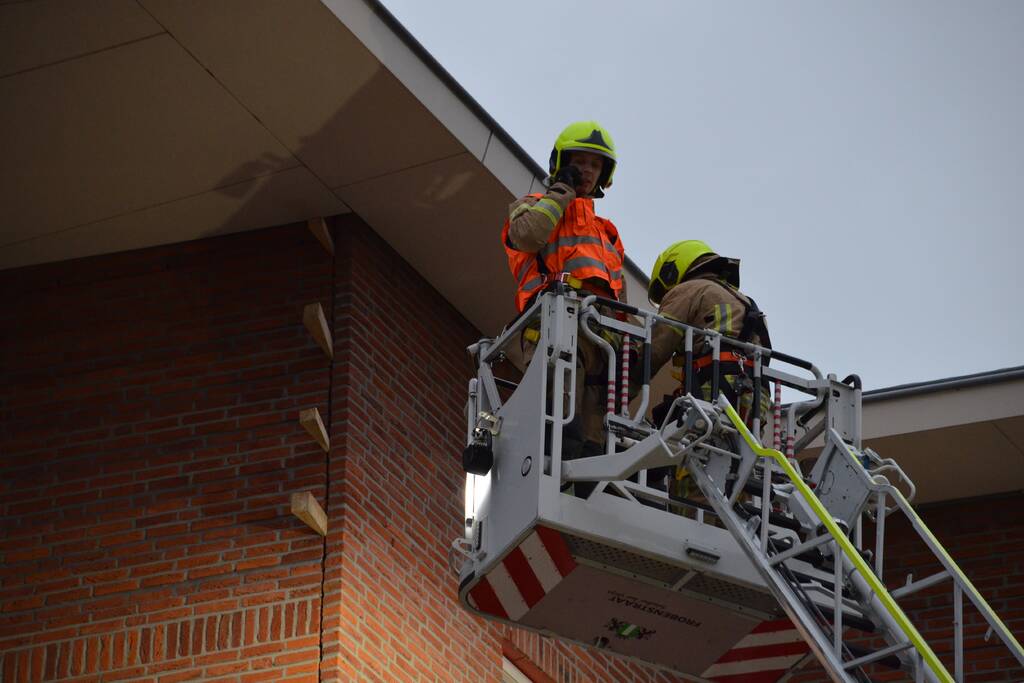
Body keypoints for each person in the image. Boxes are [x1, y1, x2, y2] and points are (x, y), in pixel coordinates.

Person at [500, 120, 626, 468]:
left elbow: (620, 298)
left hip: (599, 334)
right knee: (559, 414)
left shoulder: (608, 233)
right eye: (580, 161)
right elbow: (527, 237)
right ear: (563, 162)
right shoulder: (534, 205)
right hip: (554, 322)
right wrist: (560, 193)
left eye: (595, 164)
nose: (587, 170)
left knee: (595, 432)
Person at [645, 240, 771, 501]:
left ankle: (689, 528)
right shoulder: (748, 304)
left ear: (672, 270)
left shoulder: (690, 290)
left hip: (714, 392)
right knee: (732, 468)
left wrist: (624, 386)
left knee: (692, 471)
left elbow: (657, 345)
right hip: (754, 400)